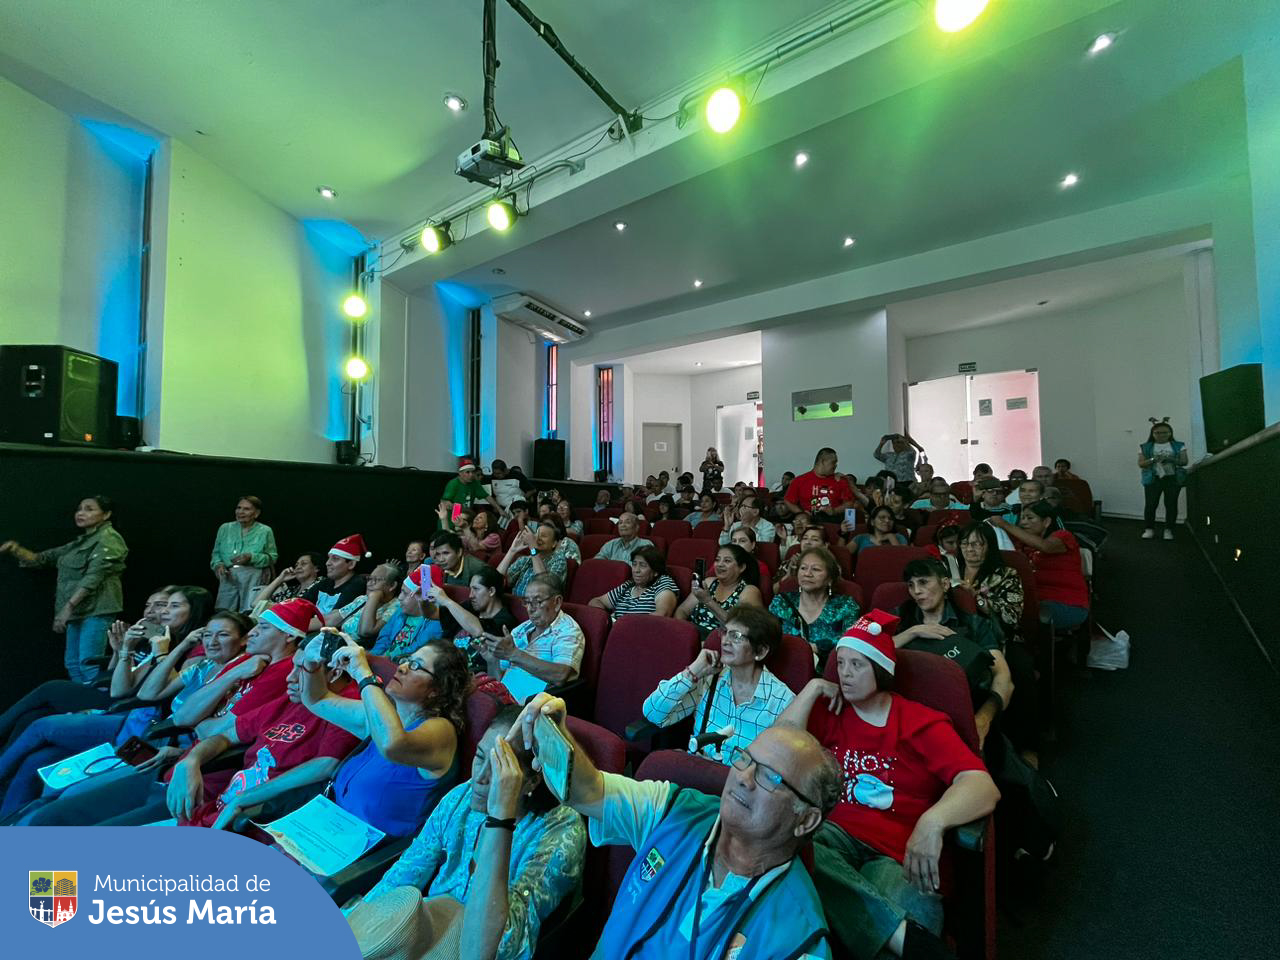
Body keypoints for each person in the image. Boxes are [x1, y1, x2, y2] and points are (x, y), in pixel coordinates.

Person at [516, 691, 840, 959]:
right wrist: (555, 737)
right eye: (744, 759)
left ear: (806, 819)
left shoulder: (800, 940)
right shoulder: (675, 809)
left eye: (770, 776)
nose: (744, 778)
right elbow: (589, 791)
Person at [779, 611, 1000, 960]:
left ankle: (897, 935)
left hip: (899, 852)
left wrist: (933, 822)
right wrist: (812, 688)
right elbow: (777, 751)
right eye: (841, 664)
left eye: (857, 665)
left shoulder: (918, 721)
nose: (844, 674)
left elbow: (981, 785)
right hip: (834, 835)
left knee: (877, 940)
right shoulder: (832, 709)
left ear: (881, 670)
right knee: (787, 848)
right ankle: (903, 936)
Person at [8, 598, 319, 827]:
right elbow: (179, 715)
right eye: (207, 634)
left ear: (288, 635)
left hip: (188, 770)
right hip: (165, 753)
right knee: (47, 793)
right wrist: (208, 666)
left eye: (262, 628)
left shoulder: (282, 675)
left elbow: (208, 728)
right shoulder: (241, 663)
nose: (253, 634)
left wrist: (201, 732)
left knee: (53, 794)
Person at [347, 705, 585, 960]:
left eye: (498, 769)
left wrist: (500, 817)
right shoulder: (464, 795)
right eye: (480, 757)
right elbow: (405, 872)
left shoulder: (560, 832)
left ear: (531, 780)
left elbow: (500, 946)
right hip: (429, 934)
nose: (479, 778)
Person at [0, 609, 250, 817]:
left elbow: (181, 716)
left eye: (223, 635)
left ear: (244, 640)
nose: (212, 641)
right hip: (139, 727)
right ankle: (10, 821)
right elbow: (149, 693)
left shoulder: (236, 677)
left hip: (159, 744)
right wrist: (160, 647)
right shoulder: (201, 664)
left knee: (60, 788)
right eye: (207, 635)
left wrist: (166, 651)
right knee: (38, 758)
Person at [299, 636, 469, 838]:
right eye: (406, 659)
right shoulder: (386, 716)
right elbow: (316, 699)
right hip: (328, 828)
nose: (403, 667)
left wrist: (363, 674)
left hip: (367, 857)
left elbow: (392, 744)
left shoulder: (442, 730)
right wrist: (310, 662)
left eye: (416, 665)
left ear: (436, 690)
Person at [641, 607, 794, 764]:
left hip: (740, 785)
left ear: (760, 651)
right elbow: (653, 714)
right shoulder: (709, 678)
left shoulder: (783, 701)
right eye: (725, 632)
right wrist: (692, 671)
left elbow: (780, 766)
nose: (725, 641)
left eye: (736, 636)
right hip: (697, 774)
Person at [1, 494, 128, 683]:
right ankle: (81, 708)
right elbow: (41, 559)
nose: (81, 513)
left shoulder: (109, 540)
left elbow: (93, 577)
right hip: (78, 612)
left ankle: (99, 708)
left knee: (89, 664)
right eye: (79, 509)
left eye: (89, 509)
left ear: (106, 514)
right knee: (73, 666)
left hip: (96, 611)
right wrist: (15, 549)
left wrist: (66, 609)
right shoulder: (80, 543)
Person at [895, 559, 1012, 751]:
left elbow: (1003, 675)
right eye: (911, 585)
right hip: (908, 711)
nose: (916, 591)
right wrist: (912, 632)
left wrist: (983, 719)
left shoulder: (974, 624)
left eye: (923, 582)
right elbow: (863, 649)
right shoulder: (900, 618)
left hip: (962, 710)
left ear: (945, 584)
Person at [475, 574, 583, 703]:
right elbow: (498, 681)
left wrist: (515, 654)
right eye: (527, 602)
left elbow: (560, 675)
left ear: (557, 602)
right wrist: (492, 661)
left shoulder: (568, 631)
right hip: (501, 700)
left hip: (530, 708)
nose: (530, 609)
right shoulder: (522, 629)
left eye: (537, 602)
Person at [990, 502, 1089, 630]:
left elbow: (1045, 546)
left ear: (1046, 522)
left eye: (1030, 518)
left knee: (1022, 614)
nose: (1023, 522)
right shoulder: (1021, 544)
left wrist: (1004, 524)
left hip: (1067, 604)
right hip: (1031, 601)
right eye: (1022, 518)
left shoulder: (1063, 537)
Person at [770, 547, 862, 670]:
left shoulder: (845, 605)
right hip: (784, 670)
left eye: (816, 569)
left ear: (830, 579)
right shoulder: (781, 602)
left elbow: (850, 642)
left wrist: (817, 648)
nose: (807, 573)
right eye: (803, 568)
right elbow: (767, 637)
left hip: (831, 672)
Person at [433, 567, 520, 673]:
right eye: (470, 589)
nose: (471, 595)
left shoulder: (505, 621)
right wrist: (422, 601)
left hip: (470, 675)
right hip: (444, 662)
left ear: (491, 591)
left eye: (476, 589)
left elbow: (479, 631)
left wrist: (447, 601)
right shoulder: (472, 606)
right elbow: (433, 614)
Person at [675, 544, 764, 641]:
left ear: (741, 567)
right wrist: (682, 632)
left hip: (722, 643)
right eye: (717, 560)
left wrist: (708, 601)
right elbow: (682, 610)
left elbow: (743, 629)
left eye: (727, 561)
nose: (720, 564)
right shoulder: (708, 582)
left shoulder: (749, 591)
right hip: (690, 637)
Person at [209, 495, 278, 613]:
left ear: (256, 513)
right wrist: (218, 565)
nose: (240, 512)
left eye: (246, 509)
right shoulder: (225, 528)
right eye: (238, 508)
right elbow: (216, 554)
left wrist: (251, 557)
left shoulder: (265, 530)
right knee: (223, 612)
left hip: (253, 575)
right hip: (228, 575)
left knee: (248, 612)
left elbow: (272, 557)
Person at [370, 566, 444, 660]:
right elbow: (384, 637)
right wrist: (373, 657)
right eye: (401, 592)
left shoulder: (436, 623)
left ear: (420, 596)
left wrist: (385, 659)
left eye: (404, 593)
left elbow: (416, 650)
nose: (400, 597)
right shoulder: (400, 610)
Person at [589, 545, 679, 621]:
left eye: (642, 565)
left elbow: (663, 615)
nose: (636, 570)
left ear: (655, 571)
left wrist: (624, 624)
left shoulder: (663, 583)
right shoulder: (628, 586)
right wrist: (607, 620)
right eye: (634, 564)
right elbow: (595, 601)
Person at [301, 535, 371, 627]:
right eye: (329, 558)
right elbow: (300, 604)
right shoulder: (325, 583)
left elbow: (332, 620)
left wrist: (293, 625)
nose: (327, 563)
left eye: (335, 559)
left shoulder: (357, 584)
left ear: (351, 564)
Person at [1139, 419, 1188, 540]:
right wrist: (1153, 460)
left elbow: (1184, 461)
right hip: (1153, 478)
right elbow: (1141, 463)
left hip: (1172, 478)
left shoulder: (1179, 445)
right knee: (1151, 504)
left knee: (1171, 504)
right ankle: (1149, 529)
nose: (1161, 435)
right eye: (1157, 433)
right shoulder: (1145, 446)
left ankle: (1169, 530)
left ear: (1170, 433)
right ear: (1153, 433)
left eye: (1165, 432)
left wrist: (1171, 459)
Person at [497, 522, 571, 598]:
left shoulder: (559, 561)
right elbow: (495, 581)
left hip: (538, 606)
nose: (538, 538)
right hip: (515, 605)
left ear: (554, 543)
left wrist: (532, 547)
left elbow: (545, 587)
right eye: (536, 534)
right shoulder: (525, 560)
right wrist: (512, 551)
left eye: (543, 536)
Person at [782, 448, 857, 521]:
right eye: (833, 462)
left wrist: (834, 511)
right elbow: (788, 501)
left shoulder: (840, 480)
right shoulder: (800, 480)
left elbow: (849, 504)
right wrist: (802, 514)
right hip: (810, 523)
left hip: (834, 522)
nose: (836, 466)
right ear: (823, 462)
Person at [251, 551, 324, 618]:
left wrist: (275, 607)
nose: (298, 567)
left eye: (303, 563)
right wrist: (280, 579)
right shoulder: (291, 591)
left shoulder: (322, 584)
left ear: (316, 568)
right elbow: (256, 604)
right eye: (296, 565)